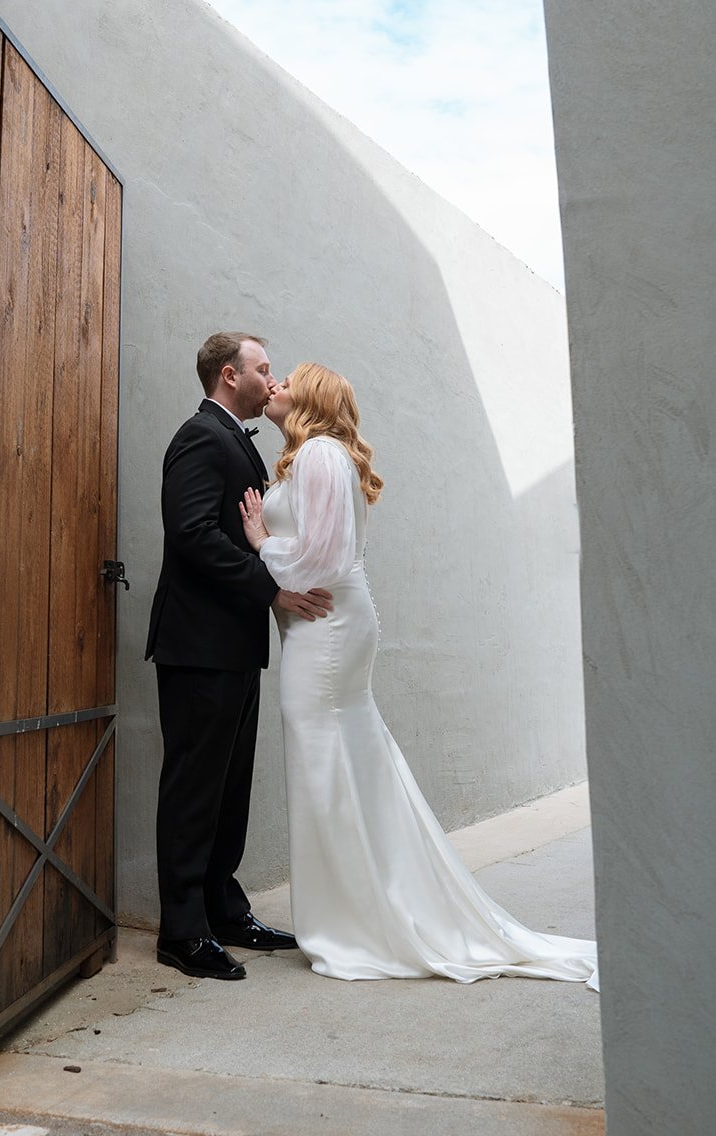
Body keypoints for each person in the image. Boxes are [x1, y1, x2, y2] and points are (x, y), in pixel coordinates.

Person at [239, 362, 599, 989]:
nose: (276, 386)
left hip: (325, 629)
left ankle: (353, 923)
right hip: (326, 624)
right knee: (342, 763)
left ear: (312, 399)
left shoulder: (320, 453)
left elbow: (325, 558)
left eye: (288, 381)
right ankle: (360, 908)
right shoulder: (316, 457)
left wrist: (260, 542)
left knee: (324, 765)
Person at [146, 332, 333, 981]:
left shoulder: (233, 439)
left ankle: (223, 910)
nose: (270, 379)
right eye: (262, 368)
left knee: (228, 790)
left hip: (232, 644)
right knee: (194, 789)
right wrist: (270, 588)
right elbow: (191, 532)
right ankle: (182, 931)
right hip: (198, 645)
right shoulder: (201, 436)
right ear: (229, 375)